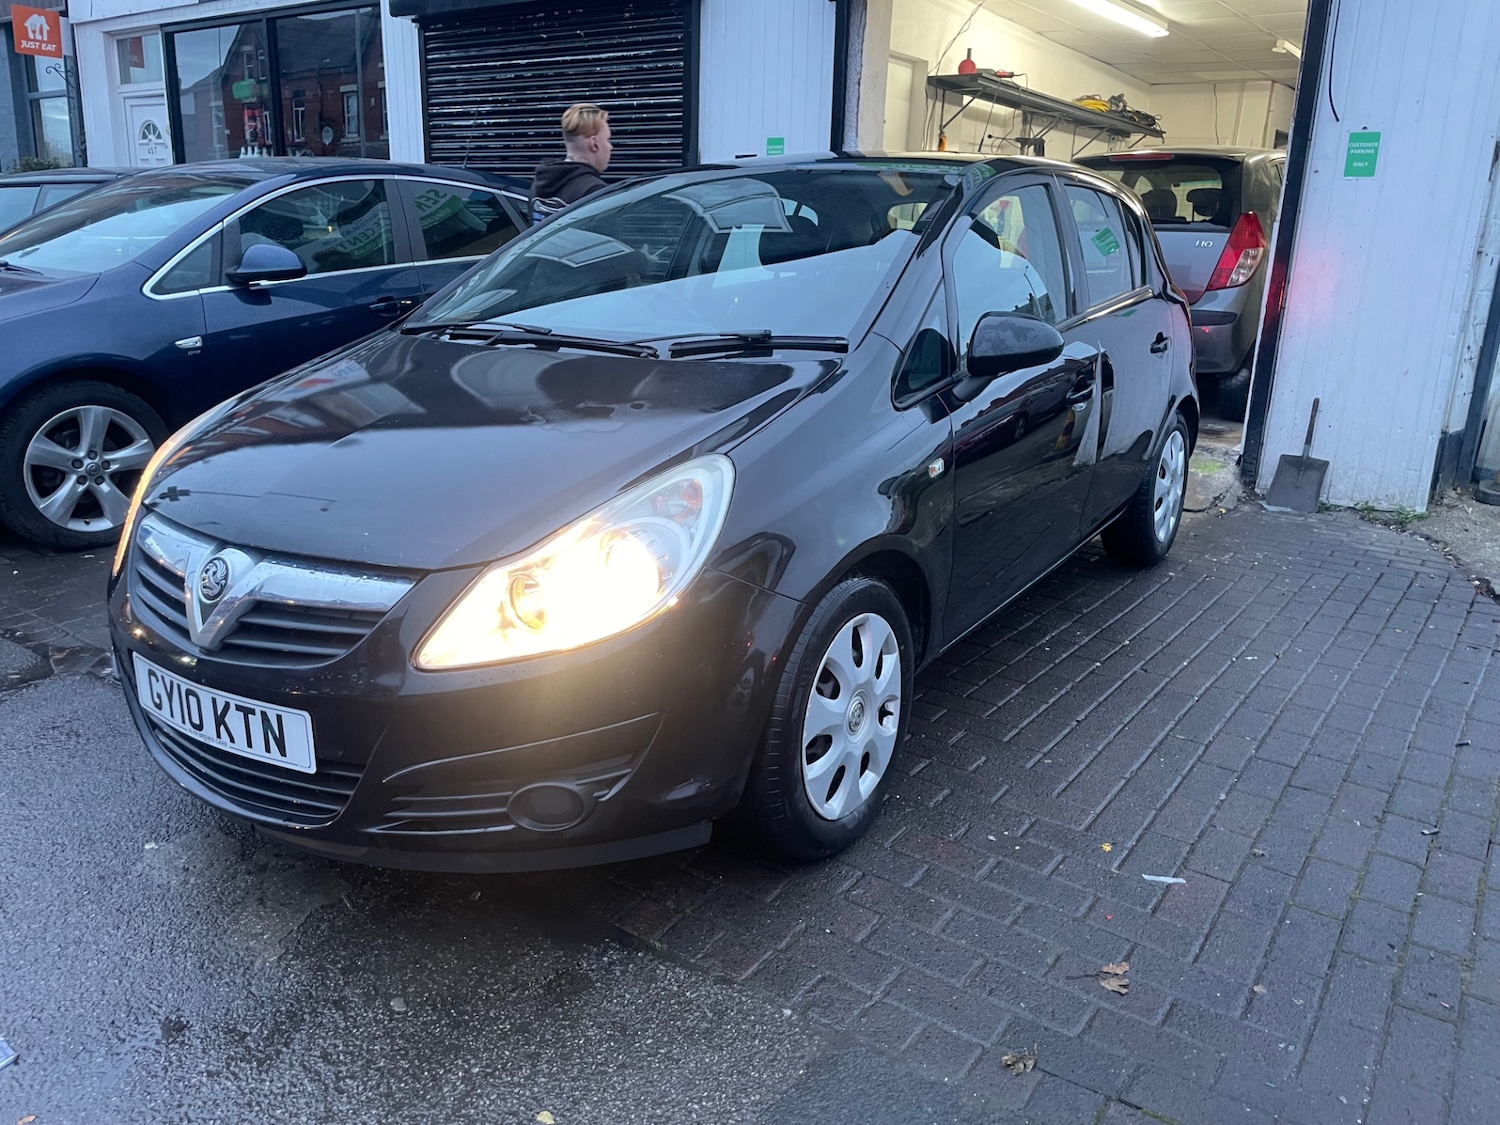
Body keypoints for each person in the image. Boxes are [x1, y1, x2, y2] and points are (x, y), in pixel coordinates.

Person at [529, 103, 613, 224]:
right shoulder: (594, 192)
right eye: (607, 139)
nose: (610, 146)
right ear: (594, 143)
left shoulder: (539, 183)